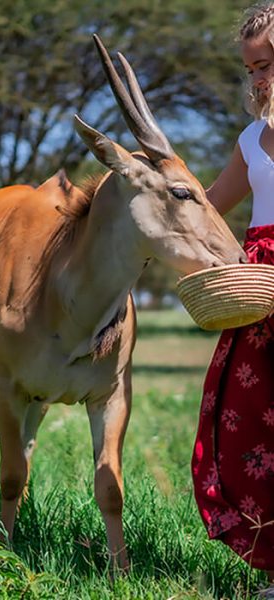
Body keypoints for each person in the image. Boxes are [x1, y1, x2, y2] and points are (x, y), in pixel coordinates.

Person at [194, 3, 274, 592]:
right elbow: (209, 203)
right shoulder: (252, 139)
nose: (258, 79)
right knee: (249, 421)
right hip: (260, 289)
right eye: (249, 69)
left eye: (266, 63)